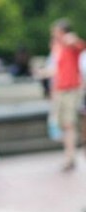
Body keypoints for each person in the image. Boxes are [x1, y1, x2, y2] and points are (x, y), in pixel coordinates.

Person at [50, 19, 86, 171]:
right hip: (61, 89)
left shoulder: (71, 44)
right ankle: (69, 155)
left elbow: (80, 46)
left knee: (69, 124)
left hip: (71, 89)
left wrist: (71, 39)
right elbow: (57, 71)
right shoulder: (57, 47)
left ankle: (70, 157)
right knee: (64, 125)